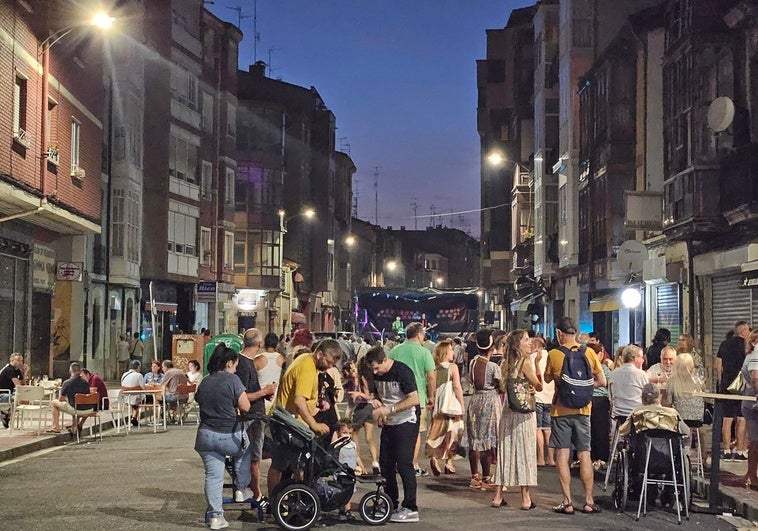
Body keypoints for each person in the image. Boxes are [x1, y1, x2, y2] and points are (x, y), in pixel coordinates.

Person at [544, 317, 605, 515]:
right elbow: (602, 381)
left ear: (559, 334)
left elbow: (546, 378)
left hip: (561, 411)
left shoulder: (554, 354)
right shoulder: (588, 352)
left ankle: (567, 501)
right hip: (584, 411)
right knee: (584, 453)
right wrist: (584, 388)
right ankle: (588, 501)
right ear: (576, 333)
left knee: (563, 454)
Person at [268, 339, 341, 497]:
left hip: (288, 421)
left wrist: (316, 404)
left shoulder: (305, 360)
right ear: (320, 354)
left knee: (288, 467)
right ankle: (279, 504)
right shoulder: (307, 367)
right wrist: (315, 425)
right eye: (329, 362)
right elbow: (299, 401)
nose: (330, 367)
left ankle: (286, 500)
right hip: (290, 423)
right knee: (284, 466)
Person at [194, 343, 252, 530]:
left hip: (205, 436)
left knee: (213, 476)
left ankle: (216, 517)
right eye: (235, 364)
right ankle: (241, 489)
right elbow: (245, 407)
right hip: (229, 435)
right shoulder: (233, 380)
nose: (236, 368)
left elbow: (199, 400)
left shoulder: (205, 381)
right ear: (229, 363)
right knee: (245, 449)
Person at [366, 345, 421, 523]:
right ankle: (391, 502)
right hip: (389, 422)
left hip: (406, 420)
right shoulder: (376, 374)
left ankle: (411, 507)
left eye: (377, 367)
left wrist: (388, 409)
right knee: (386, 464)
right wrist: (374, 401)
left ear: (385, 360)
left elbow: (414, 399)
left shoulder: (402, 371)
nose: (375, 372)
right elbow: (377, 393)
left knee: (404, 464)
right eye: (372, 369)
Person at [491, 329, 542, 510]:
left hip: (508, 412)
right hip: (523, 414)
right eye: (527, 340)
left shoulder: (505, 362)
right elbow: (539, 385)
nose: (530, 343)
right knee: (525, 451)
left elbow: (504, 387)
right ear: (519, 344)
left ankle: (498, 496)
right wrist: (536, 363)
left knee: (505, 451)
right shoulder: (525, 362)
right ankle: (526, 499)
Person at [235, 328, 278, 505]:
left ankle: (252, 489)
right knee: (255, 456)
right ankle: (257, 493)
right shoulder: (244, 364)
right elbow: (243, 397)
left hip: (257, 415)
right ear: (259, 344)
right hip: (252, 417)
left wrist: (263, 394)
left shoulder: (247, 362)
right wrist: (265, 391)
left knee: (263, 452)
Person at [389, 322, 436, 477]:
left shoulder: (394, 351)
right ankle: (412, 464)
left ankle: (396, 463)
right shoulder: (424, 353)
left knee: (395, 431)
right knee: (415, 433)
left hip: (396, 399)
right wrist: (431, 396)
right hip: (417, 399)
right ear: (419, 335)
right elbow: (431, 376)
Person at [466, 328, 502, 490]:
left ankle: (474, 476)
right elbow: (501, 386)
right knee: (487, 440)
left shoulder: (473, 362)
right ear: (492, 348)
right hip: (489, 400)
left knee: (474, 439)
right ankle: (487, 477)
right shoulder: (493, 367)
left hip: (475, 400)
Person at [426, 339, 465, 476]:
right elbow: (457, 387)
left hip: (437, 405)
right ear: (445, 352)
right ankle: (449, 462)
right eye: (450, 350)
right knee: (453, 432)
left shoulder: (432, 368)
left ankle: (434, 458)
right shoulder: (452, 367)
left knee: (436, 432)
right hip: (451, 406)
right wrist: (462, 404)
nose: (453, 352)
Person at [716, 321, 751, 460]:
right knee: (742, 419)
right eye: (748, 330)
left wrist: (721, 382)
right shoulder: (747, 346)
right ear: (742, 332)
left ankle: (726, 450)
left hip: (726, 387)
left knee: (727, 419)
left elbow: (718, 365)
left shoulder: (724, 344)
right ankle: (740, 450)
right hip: (742, 387)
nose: (749, 333)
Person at [46, 362, 92, 434]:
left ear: (70, 371)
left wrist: (67, 400)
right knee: (75, 403)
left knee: (54, 403)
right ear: (80, 371)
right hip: (87, 409)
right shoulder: (85, 382)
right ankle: (74, 427)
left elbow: (61, 399)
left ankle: (56, 427)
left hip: (75, 409)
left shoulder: (67, 382)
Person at [608, 344, 648, 421]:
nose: (643, 360)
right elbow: (647, 396)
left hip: (618, 416)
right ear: (635, 358)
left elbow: (611, 396)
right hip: (637, 415)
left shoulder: (613, 373)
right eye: (641, 357)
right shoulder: (640, 374)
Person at [531, 336, 555, 467]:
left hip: (538, 397)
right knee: (548, 428)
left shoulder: (534, 357)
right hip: (550, 397)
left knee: (538, 428)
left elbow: (534, 377)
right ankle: (551, 458)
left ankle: (540, 458)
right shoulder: (552, 356)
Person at [740, 330, 758, 489]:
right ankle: (752, 476)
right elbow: (755, 377)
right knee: (755, 441)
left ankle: (751, 475)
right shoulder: (755, 354)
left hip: (750, 401)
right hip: (753, 402)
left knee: (755, 442)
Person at [590, 343, 612, 470]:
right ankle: (601, 457)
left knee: (589, 429)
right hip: (601, 401)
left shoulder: (584, 367)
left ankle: (588, 456)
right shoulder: (603, 368)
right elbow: (608, 384)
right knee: (601, 430)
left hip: (587, 399)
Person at [254, 332, 285, 413]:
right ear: (277, 344)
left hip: (260, 398)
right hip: (276, 400)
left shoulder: (257, 359)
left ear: (264, 343)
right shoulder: (282, 359)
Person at [0, 353, 29, 429]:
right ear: (12, 360)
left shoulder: (17, 370)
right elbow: (18, 385)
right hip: (2, 393)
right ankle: (8, 416)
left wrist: (25, 373)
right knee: (20, 400)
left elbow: (22, 383)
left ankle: (6, 415)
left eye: (21, 360)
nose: (20, 362)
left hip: (9, 392)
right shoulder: (10, 369)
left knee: (25, 401)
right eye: (18, 360)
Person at [120, 359, 145, 427]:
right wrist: (137, 388)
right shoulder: (139, 375)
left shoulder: (124, 374)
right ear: (138, 367)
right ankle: (134, 418)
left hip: (126, 397)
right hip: (135, 397)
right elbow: (143, 388)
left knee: (135, 400)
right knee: (142, 397)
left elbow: (122, 386)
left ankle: (133, 417)